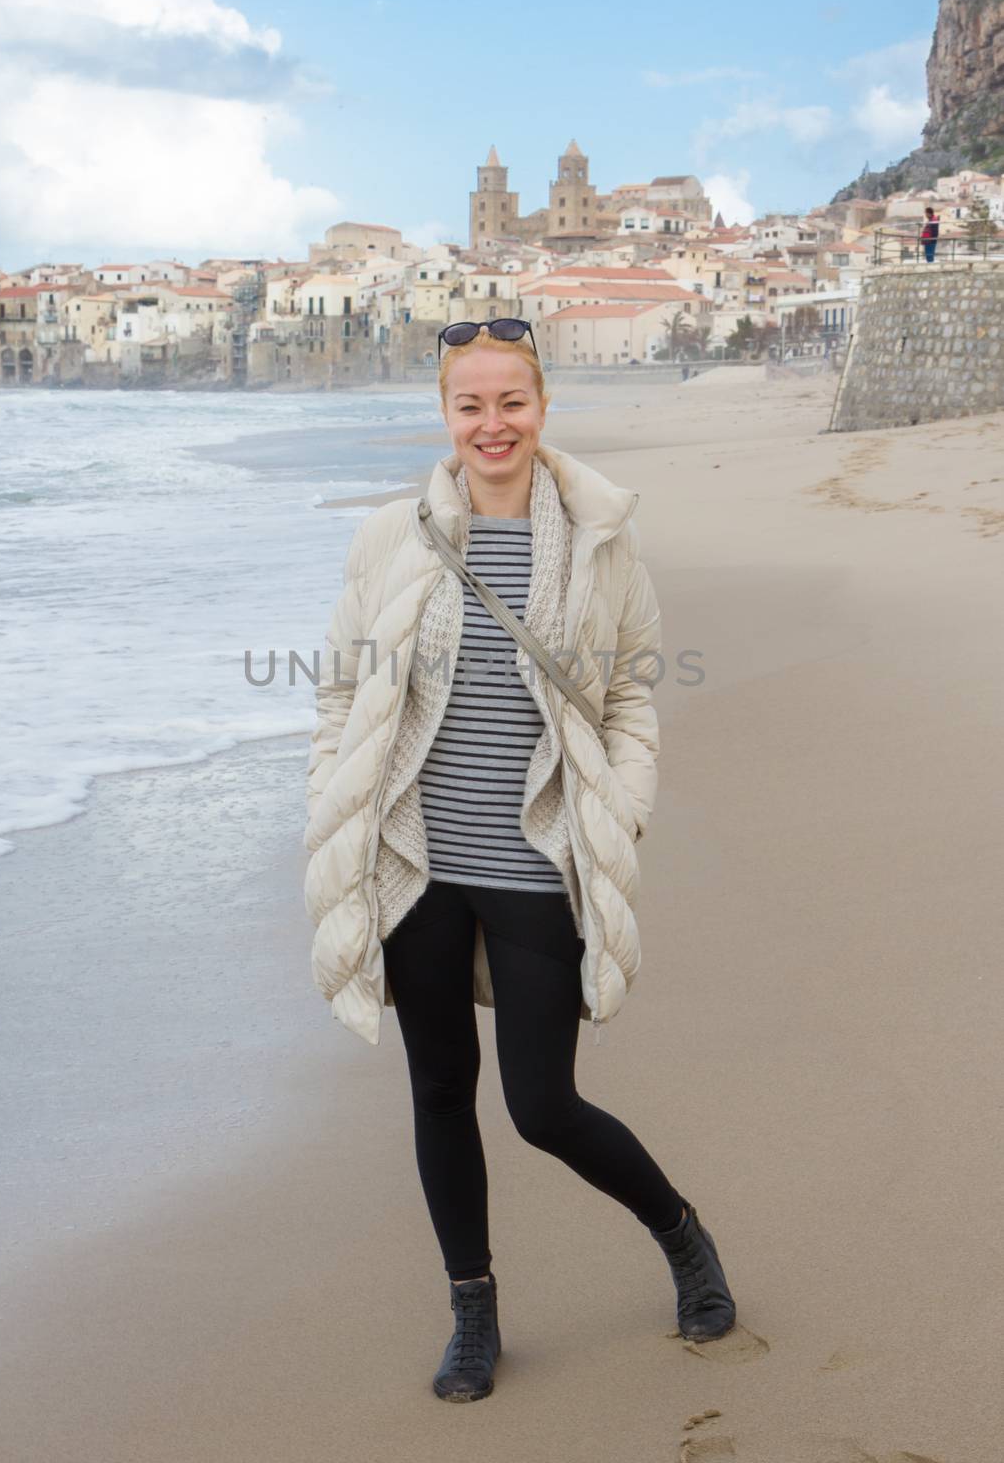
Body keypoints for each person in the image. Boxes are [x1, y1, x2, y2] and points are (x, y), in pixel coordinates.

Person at [302, 319, 736, 1403]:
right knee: (441, 1088)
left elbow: (629, 692)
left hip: (536, 858)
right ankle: (473, 1308)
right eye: (469, 405)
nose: (490, 425)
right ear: (443, 415)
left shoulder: (595, 538)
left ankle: (679, 1234)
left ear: (542, 407)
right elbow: (341, 693)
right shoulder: (388, 539)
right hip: (416, 862)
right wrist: (333, 811)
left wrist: (620, 808)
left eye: (510, 403)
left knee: (542, 1105)